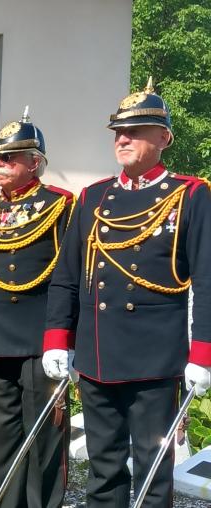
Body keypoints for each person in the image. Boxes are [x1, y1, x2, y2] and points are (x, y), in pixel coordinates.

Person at [43, 78, 211, 507]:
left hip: (154, 362)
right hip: (97, 354)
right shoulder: (94, 197)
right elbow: (67, 274)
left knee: (153, 473)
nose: (122, 139)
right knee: (103, 468)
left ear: (163, 138)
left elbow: (208, 280)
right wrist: (58, 339)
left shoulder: (189, 195)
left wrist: (203, 355)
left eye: (134, 131)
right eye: (118, 131)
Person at [0, 109, 74, 508]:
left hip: (38, 341)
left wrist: (63, 339)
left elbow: (68, 278)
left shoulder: (60, 206)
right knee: (1, 441)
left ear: (34, 163)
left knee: (43, 443)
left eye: (9, 158)